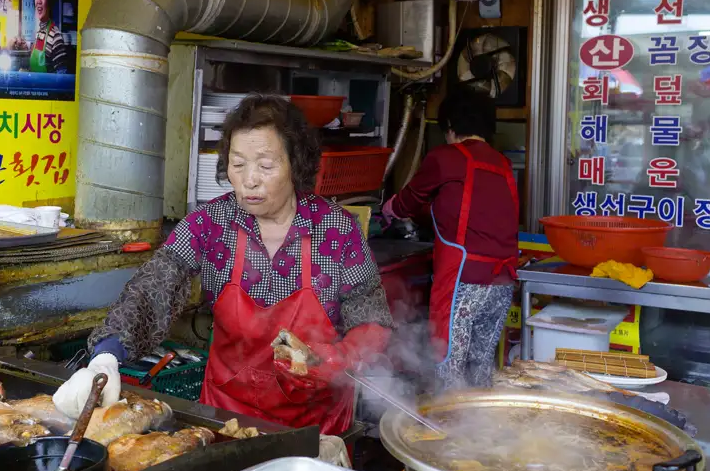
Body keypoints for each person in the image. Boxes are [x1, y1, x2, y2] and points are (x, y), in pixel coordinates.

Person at [54, 94, 394, 435]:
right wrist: (107, 356)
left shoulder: (336, 229)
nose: (249, 180)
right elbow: (154, 287)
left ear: (296, 164)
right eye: (238, 163)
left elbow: (372, 321)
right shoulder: (209, 224)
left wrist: (337, 360)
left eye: (266, 165)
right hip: (227, 418)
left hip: (315, 427)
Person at [383, 89, 518, 390]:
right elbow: (463, 210)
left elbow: (411, 198)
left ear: (451, 127)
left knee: (448, 366)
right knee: (481, 367)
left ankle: (447, 431)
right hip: (502, 282)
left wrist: (389, 208)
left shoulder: (447, 157)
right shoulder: (503, 164)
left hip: (464, 281)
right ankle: (482, 431)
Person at [30, 0, 68, 74]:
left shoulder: (56, 36)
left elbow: (61, 77)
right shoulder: (38, 33)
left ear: (50, 1)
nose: (38, 1)